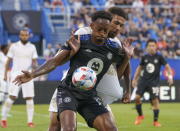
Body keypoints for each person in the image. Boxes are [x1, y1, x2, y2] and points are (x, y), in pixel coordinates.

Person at [13, 11, 127, 131]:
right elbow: (55, 61)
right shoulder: (79, 39)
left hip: (90, 95)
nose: (102, 33)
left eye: (105, 30)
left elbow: (123, 68)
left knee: (111, 128)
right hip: (69, 91)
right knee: (67, 128)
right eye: (99, 29)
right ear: (92, 26)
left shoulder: (114, 48)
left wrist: (127, 58)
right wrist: (32, 74)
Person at [48, 7, 133, 131]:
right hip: (71, 86)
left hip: (94, 92)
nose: (118, 28)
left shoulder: (116, 44)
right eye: (116, 23)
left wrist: (128, 90)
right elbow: (60, 59)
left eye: (121, 25)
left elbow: (124, 69)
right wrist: (72, 53)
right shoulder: (83, 33)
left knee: (110, 127)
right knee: (56, 126)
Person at [0, 29, 38, 128]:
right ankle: (3, 119)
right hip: (15, 74)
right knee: (12, 96)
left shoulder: (32, 47)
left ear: (29, 36)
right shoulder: (14, 46)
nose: (24, 37)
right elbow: (8, 61)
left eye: (26, 35)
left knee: (29, 97)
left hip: (28, 76)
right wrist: (5, 74)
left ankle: (30, 121)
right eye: (22, 35)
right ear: (19, 36)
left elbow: (34, 62)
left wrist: (34, 69)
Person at [132, 39, 173, 127]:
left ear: (156, 46)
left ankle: (155, 121)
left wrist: (170, 77)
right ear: (147, 47)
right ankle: (140, 116)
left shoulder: (159, 57)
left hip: (154, 82)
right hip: (143, 81)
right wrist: (134, 79)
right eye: (150, 46)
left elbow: (168, 67)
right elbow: (139, 69)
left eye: (153, 45)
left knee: (155, 101)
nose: (151, 47)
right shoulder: (144, 57)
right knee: (137, 97)